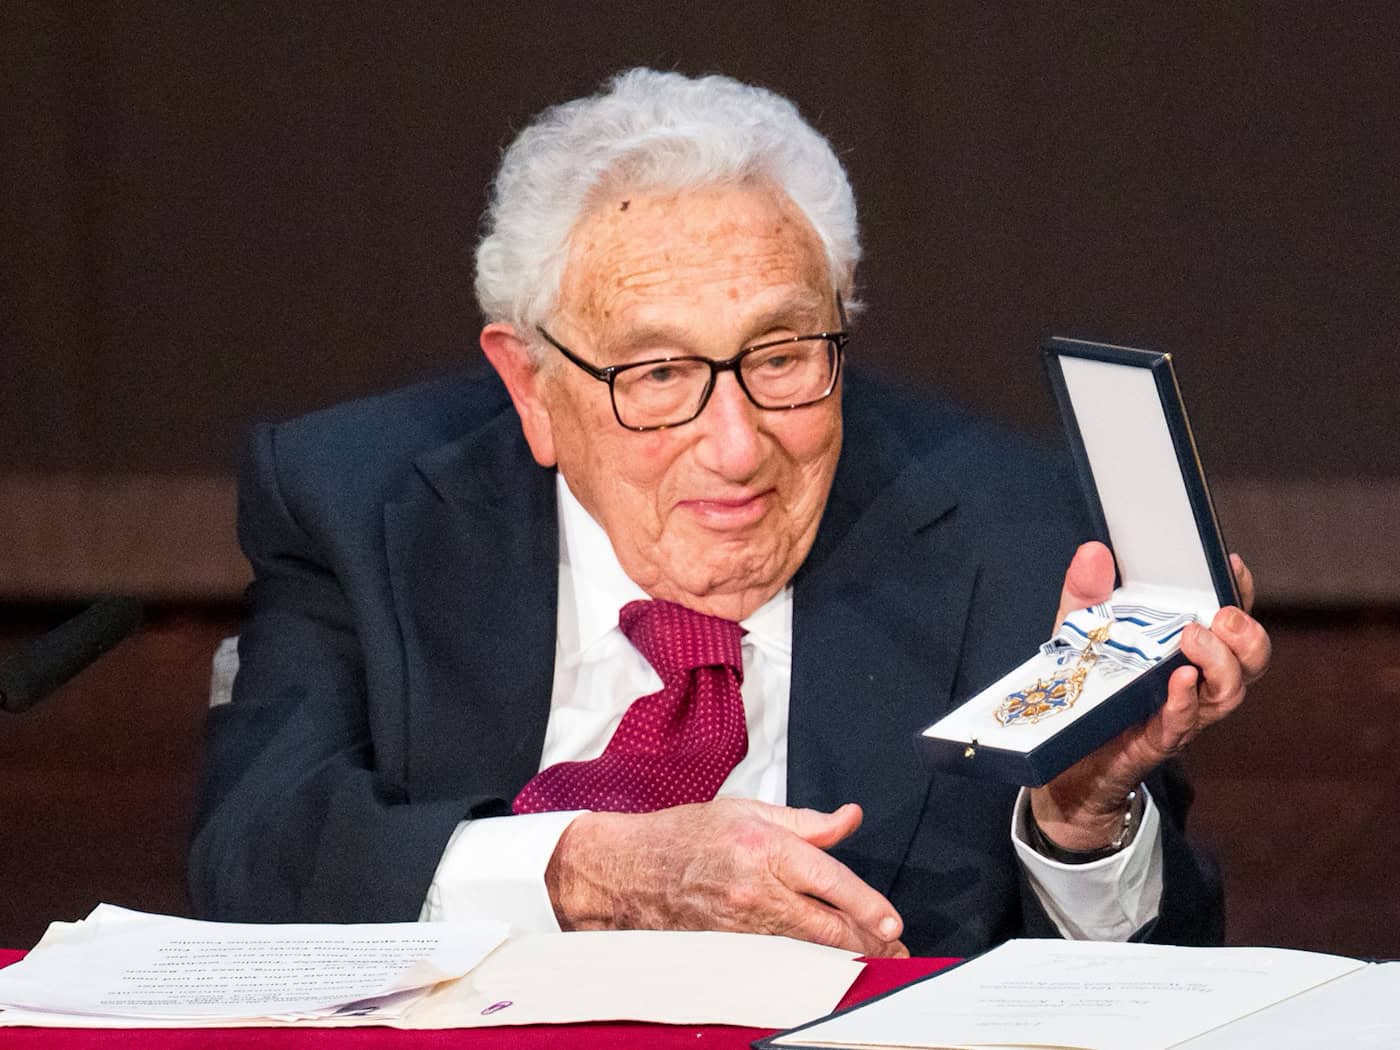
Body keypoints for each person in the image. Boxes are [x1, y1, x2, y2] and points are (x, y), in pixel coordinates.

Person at [190, 68, 1270, 957]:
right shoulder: (357, 498)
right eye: (656, 374)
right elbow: (255, 852)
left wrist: (1077, 822)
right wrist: (586, 869)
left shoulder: (1016, 531)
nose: (739, 444)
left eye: (783, 355)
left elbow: (1159, 981)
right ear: (529, 386)